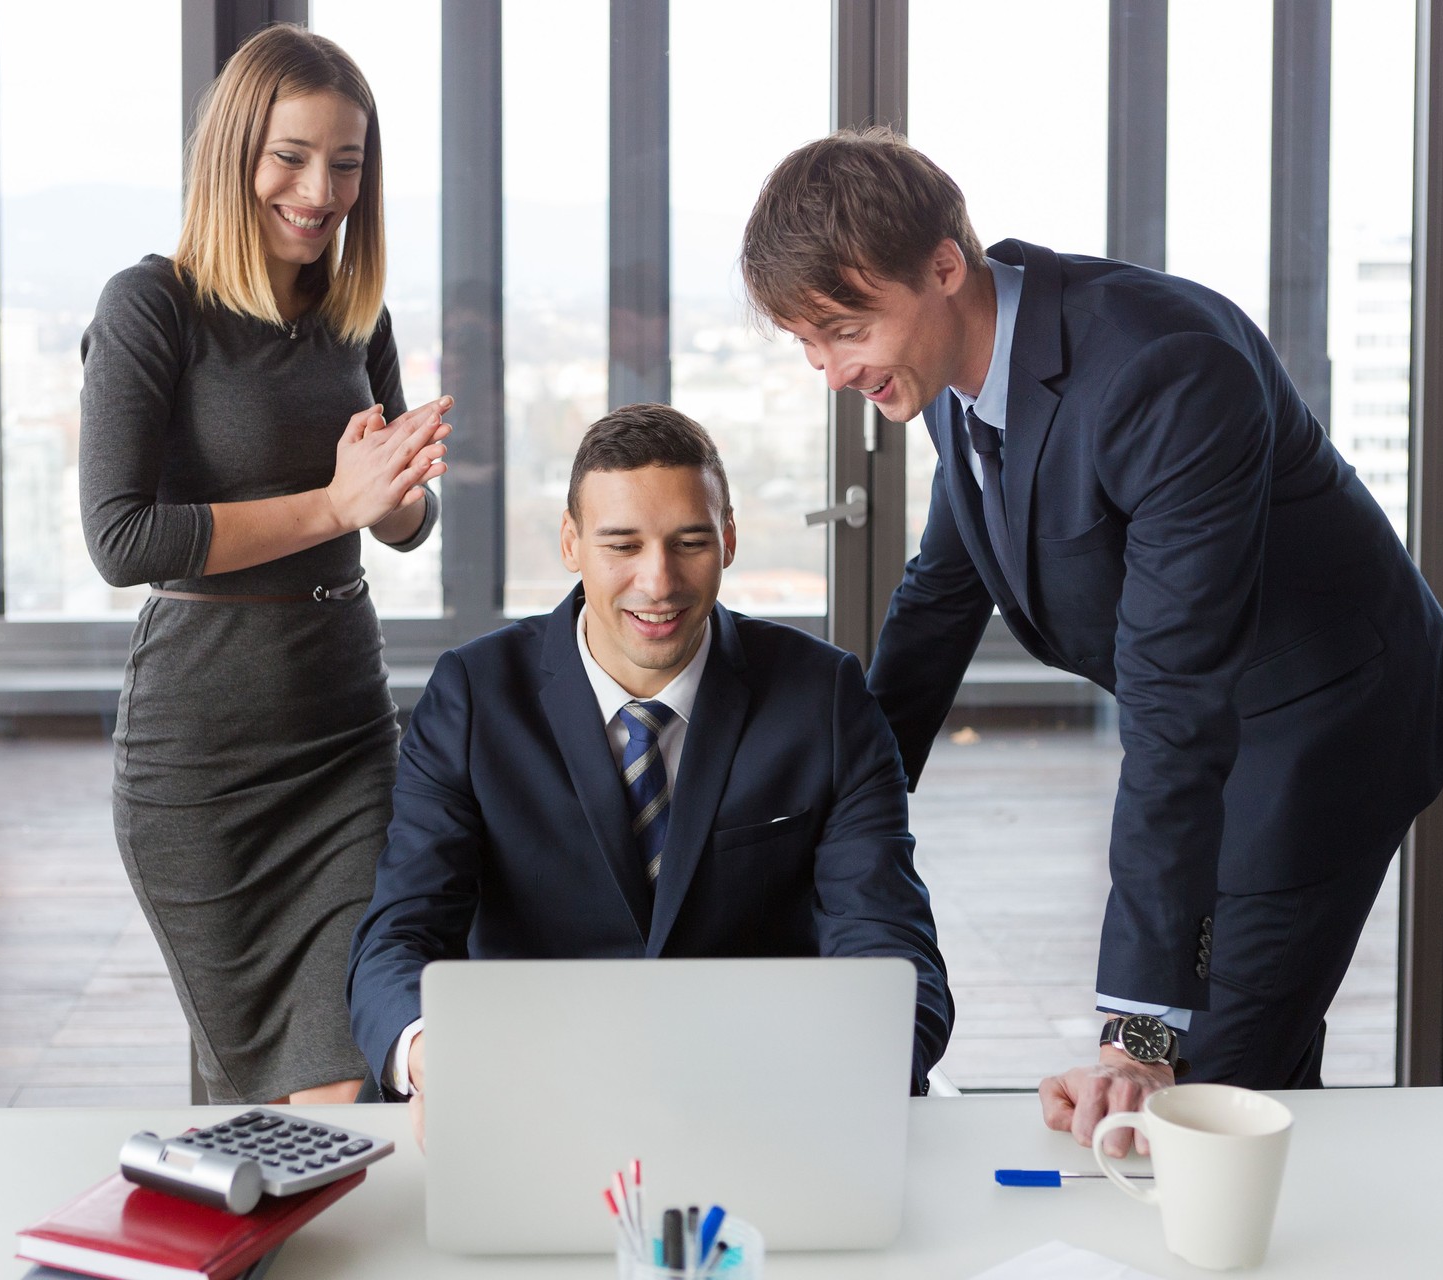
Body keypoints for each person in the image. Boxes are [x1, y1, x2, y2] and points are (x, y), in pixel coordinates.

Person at [739, 129, 1443, 1153]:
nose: (830, 370)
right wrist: (828, 823)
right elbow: (936, 606)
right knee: (1247, 1065)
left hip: (1326, 717)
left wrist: (1134, 1028)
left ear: (945, 267)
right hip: (1216, 711)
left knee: (1196, 1090)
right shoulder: (965, 372)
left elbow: (1173, 705)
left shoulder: (1165, 372)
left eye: (845, 329)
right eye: (807, 342)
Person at [347, 403, 954, 1138]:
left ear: (728, 539)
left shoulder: (824, 698)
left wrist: (846, 1076)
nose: (658, 581)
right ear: (570, 544)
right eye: (622, 545)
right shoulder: (474, 696)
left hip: (767, 1111)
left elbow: (892, 950)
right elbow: (398, 935)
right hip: (530, 1105)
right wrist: (435, 1056)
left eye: (689, 541)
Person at [79, 24, 450, 1105]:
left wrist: (395, 491)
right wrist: (336, 500)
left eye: (345, 161)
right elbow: (123, 538)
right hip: (202, 754)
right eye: (291, 155)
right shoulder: (152, 305)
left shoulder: (353, 313)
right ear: (236, 152)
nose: (320, 187)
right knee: (254, 1089)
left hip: (343, 728)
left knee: (348, 1064)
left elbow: (401, 525)